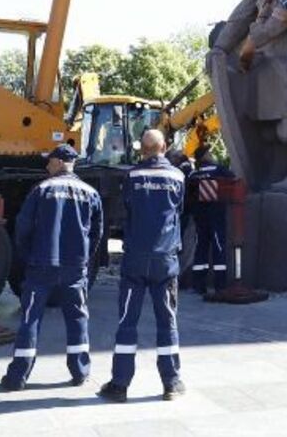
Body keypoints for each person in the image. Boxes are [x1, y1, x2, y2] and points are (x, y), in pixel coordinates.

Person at [0, 144, 103, 392]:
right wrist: (84, 258)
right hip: (75, 268)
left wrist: (26, 257)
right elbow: (97, 234)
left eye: (49, 162)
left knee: (30, 318)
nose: (46, 166)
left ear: (59, 162)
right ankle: (79, 372)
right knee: (77, 317)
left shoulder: (41, 190)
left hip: (41, 265)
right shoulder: (90, 192)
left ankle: (18, 376)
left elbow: (22, 228)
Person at [100, 129, 188, 402]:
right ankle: (171, 383)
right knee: (167, 320)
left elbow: (126, 209)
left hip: (135, 258)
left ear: (143, 149)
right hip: (166, 259)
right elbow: (179, 212)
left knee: (128, 321)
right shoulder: (178, 176)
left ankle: (120, 385)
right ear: (164, 147)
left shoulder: (132, 176)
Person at [186, 145, 232, 293]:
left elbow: (188, 196)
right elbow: (233, 178)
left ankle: (199, 285)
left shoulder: (193, 175)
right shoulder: (218, 170)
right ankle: (220, 285)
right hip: (216, 213)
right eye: (209, 153)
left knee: (201, 247)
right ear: (205, 156)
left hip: (200, 217)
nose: (211, 155)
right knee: (218, 246)